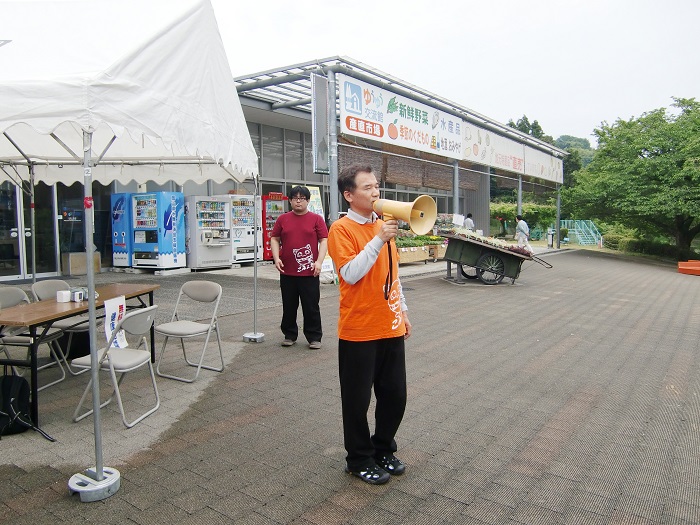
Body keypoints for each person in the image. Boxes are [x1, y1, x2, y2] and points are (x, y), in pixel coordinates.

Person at [327, 163, 412, 485]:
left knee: (395, 395)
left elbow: (393, 274)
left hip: (389, 324)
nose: (376, 192)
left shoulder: (382, 225)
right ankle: (358, 458)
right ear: (349, 195)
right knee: (357, 401)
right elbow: (350, 274)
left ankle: (383, 448)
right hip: (359, 330)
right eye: (367, 187)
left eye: (376, 186)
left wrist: (403, 310)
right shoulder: (341, 229)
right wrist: (377, 240)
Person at [270, 186, 328, 350]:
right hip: (287, 271)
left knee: (311, 306)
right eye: (295, 198)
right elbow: (274, 238)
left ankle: (314, 337)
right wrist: (276, 258)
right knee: (289, 305)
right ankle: (289, 335)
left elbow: (324, 240)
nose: (298, 201)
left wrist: (319, 261)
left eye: (302, 198)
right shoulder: (283, 219)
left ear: (308, 201)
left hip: (310, 272)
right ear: (290, 200)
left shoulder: (316, 219)